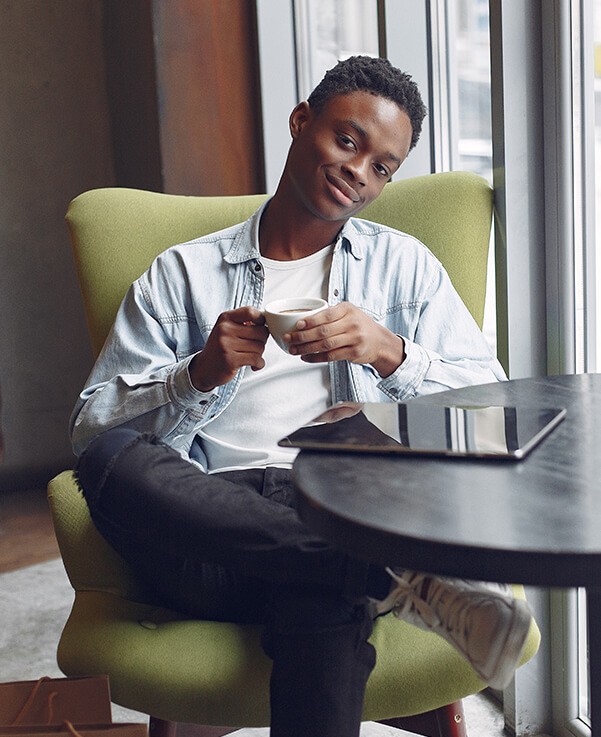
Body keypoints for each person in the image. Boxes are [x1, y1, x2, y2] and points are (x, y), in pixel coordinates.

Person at [71, 56, 531, 737]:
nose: (360, 172)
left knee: (323, 583)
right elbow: (89, 430)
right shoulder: (181, 274)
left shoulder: (402, 268)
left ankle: (357, 567)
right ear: (300, 121)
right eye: (348, 141)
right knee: (109, 457)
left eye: (382, 166)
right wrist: (195, 373)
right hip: (206, 526)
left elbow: (491, 419)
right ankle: (392, 577)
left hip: (343, 503)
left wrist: (390, 353)